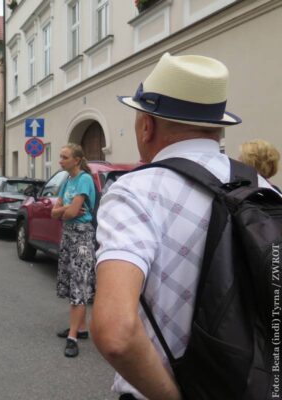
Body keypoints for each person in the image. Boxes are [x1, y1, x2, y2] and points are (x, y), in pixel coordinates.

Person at [90, 53, 277, 400]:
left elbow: (115, 331)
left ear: (147, 125)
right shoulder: (264, 187)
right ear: (218, 126)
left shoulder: (137, 191)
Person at [50, 143, 96, 358]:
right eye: (60, 157)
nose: (60, 160)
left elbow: (71, 213)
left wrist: (65, 211)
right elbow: (55, 213)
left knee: (79, 284)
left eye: (64, 157)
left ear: (77, 159)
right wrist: (64, 210)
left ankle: (73, 337)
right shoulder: (67, 181)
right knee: (72, 282)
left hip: (81, 236)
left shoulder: (84, 179)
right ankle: (82, 328)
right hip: (68, 235)